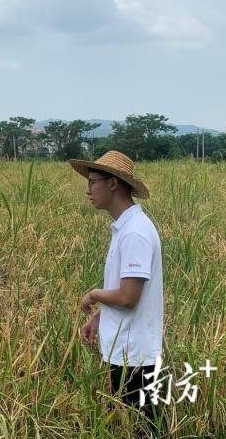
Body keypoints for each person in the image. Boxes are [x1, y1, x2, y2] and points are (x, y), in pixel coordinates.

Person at [70, 151, 163, 421]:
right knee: (127, 423)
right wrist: (100, 317)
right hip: (126, 350)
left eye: (93, 181)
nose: (88, 190)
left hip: (135, 355)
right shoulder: (126, 228)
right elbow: (125, 293)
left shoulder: (135, 232)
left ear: (113, 184)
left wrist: (94, 295)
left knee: (142, 427)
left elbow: (128, 297)